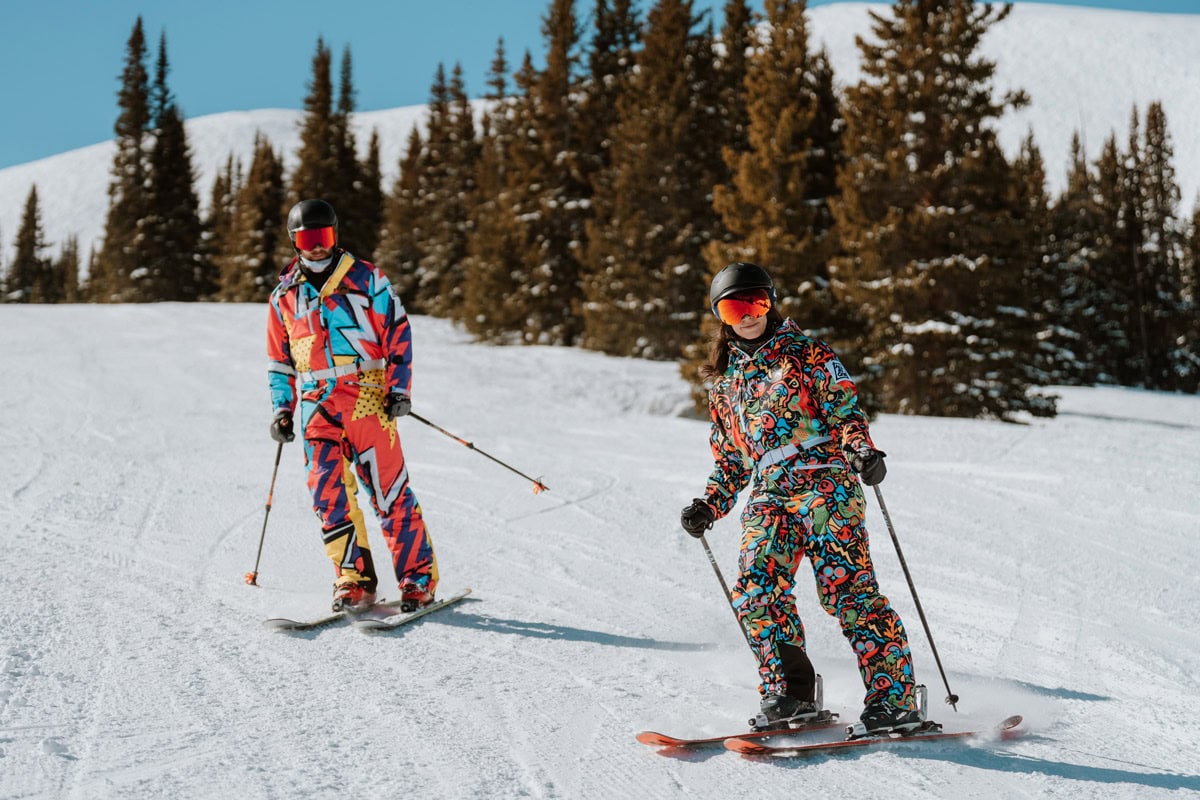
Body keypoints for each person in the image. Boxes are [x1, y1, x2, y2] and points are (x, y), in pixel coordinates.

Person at [679, 262, 920, 734]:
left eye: (756, 302)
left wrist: (862, 451)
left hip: (826, 481)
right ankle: (791, 693)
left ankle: (893, 698)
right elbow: (732, 460)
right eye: (734, 306)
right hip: (770, 493)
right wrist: (709, 503)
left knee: (848, 592)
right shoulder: (726, 387)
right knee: (755, 590)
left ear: (770, 303)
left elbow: (845, 410)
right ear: (722, 316)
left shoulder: (807, 353)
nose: (747, 314)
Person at [266, 198, 438, 614]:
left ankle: (417, 577)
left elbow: (398, 331)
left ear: (335, 235)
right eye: (308, 239)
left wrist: (399, 388)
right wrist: (282, 409)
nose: (317, 247)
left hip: (367, 395)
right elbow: (279, 360)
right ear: (295, 242)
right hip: (315, 403)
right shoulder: (284, 296)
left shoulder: (367, 279)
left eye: (323, 237)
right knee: (327, 493)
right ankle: (352, 577)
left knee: (389, 490)